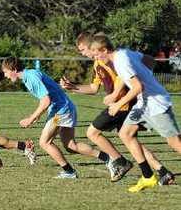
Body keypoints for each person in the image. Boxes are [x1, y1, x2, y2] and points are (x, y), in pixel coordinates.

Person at [60, 32, 175, 185]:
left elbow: (122, 76)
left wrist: (115, 95)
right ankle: (161, 170)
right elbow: (94, 88)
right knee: (129, 138)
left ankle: (119, 161)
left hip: (123, 104)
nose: (83, 53)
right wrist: (73, 87)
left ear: (92, 46)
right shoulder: (97, 64)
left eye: (83, 49)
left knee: (92, 132)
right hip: (122, 104)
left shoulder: (108, 59)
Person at [1, 57, 120, 179]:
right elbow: (48, 97)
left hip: (61, 111)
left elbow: (46, 101)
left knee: (44, 142)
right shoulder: (30, 75)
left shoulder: (31, 77)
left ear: (14, 69)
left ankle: (69, 172)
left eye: (6, 72)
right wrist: (38, 115)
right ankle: (108, 159)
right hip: (65, 108)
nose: (6, 76)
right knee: (70, 145)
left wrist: (31, 118)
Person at [90, 34, 181, 192]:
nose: (96, 58)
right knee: (126, 133)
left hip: (156, 103)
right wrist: (146, 75)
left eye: (97, 54)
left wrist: (118, 104)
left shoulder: (120, 62)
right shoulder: (125, 52)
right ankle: (148, 176)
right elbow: (150, 61)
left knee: (175, 143)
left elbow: (138, 87)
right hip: (143, 103)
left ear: (105, 49)